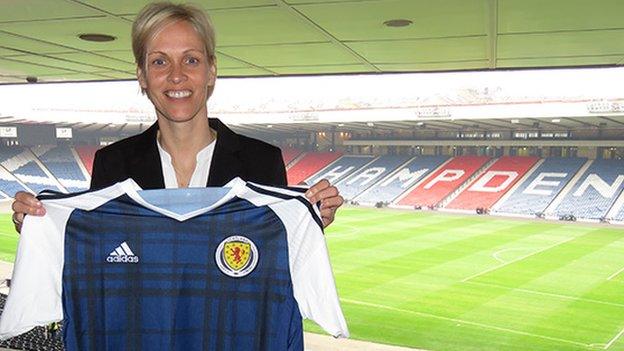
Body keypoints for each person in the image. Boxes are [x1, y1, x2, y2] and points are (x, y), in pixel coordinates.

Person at [11, 1, 343, 231]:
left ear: (211, 71)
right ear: (141, 75)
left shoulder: (262, 162)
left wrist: (310, 221)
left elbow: (276, 266)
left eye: (191, 60)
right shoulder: (112, 163)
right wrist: (42, 225)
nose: (176, 75)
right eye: (159, 61)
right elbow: (98, 261)